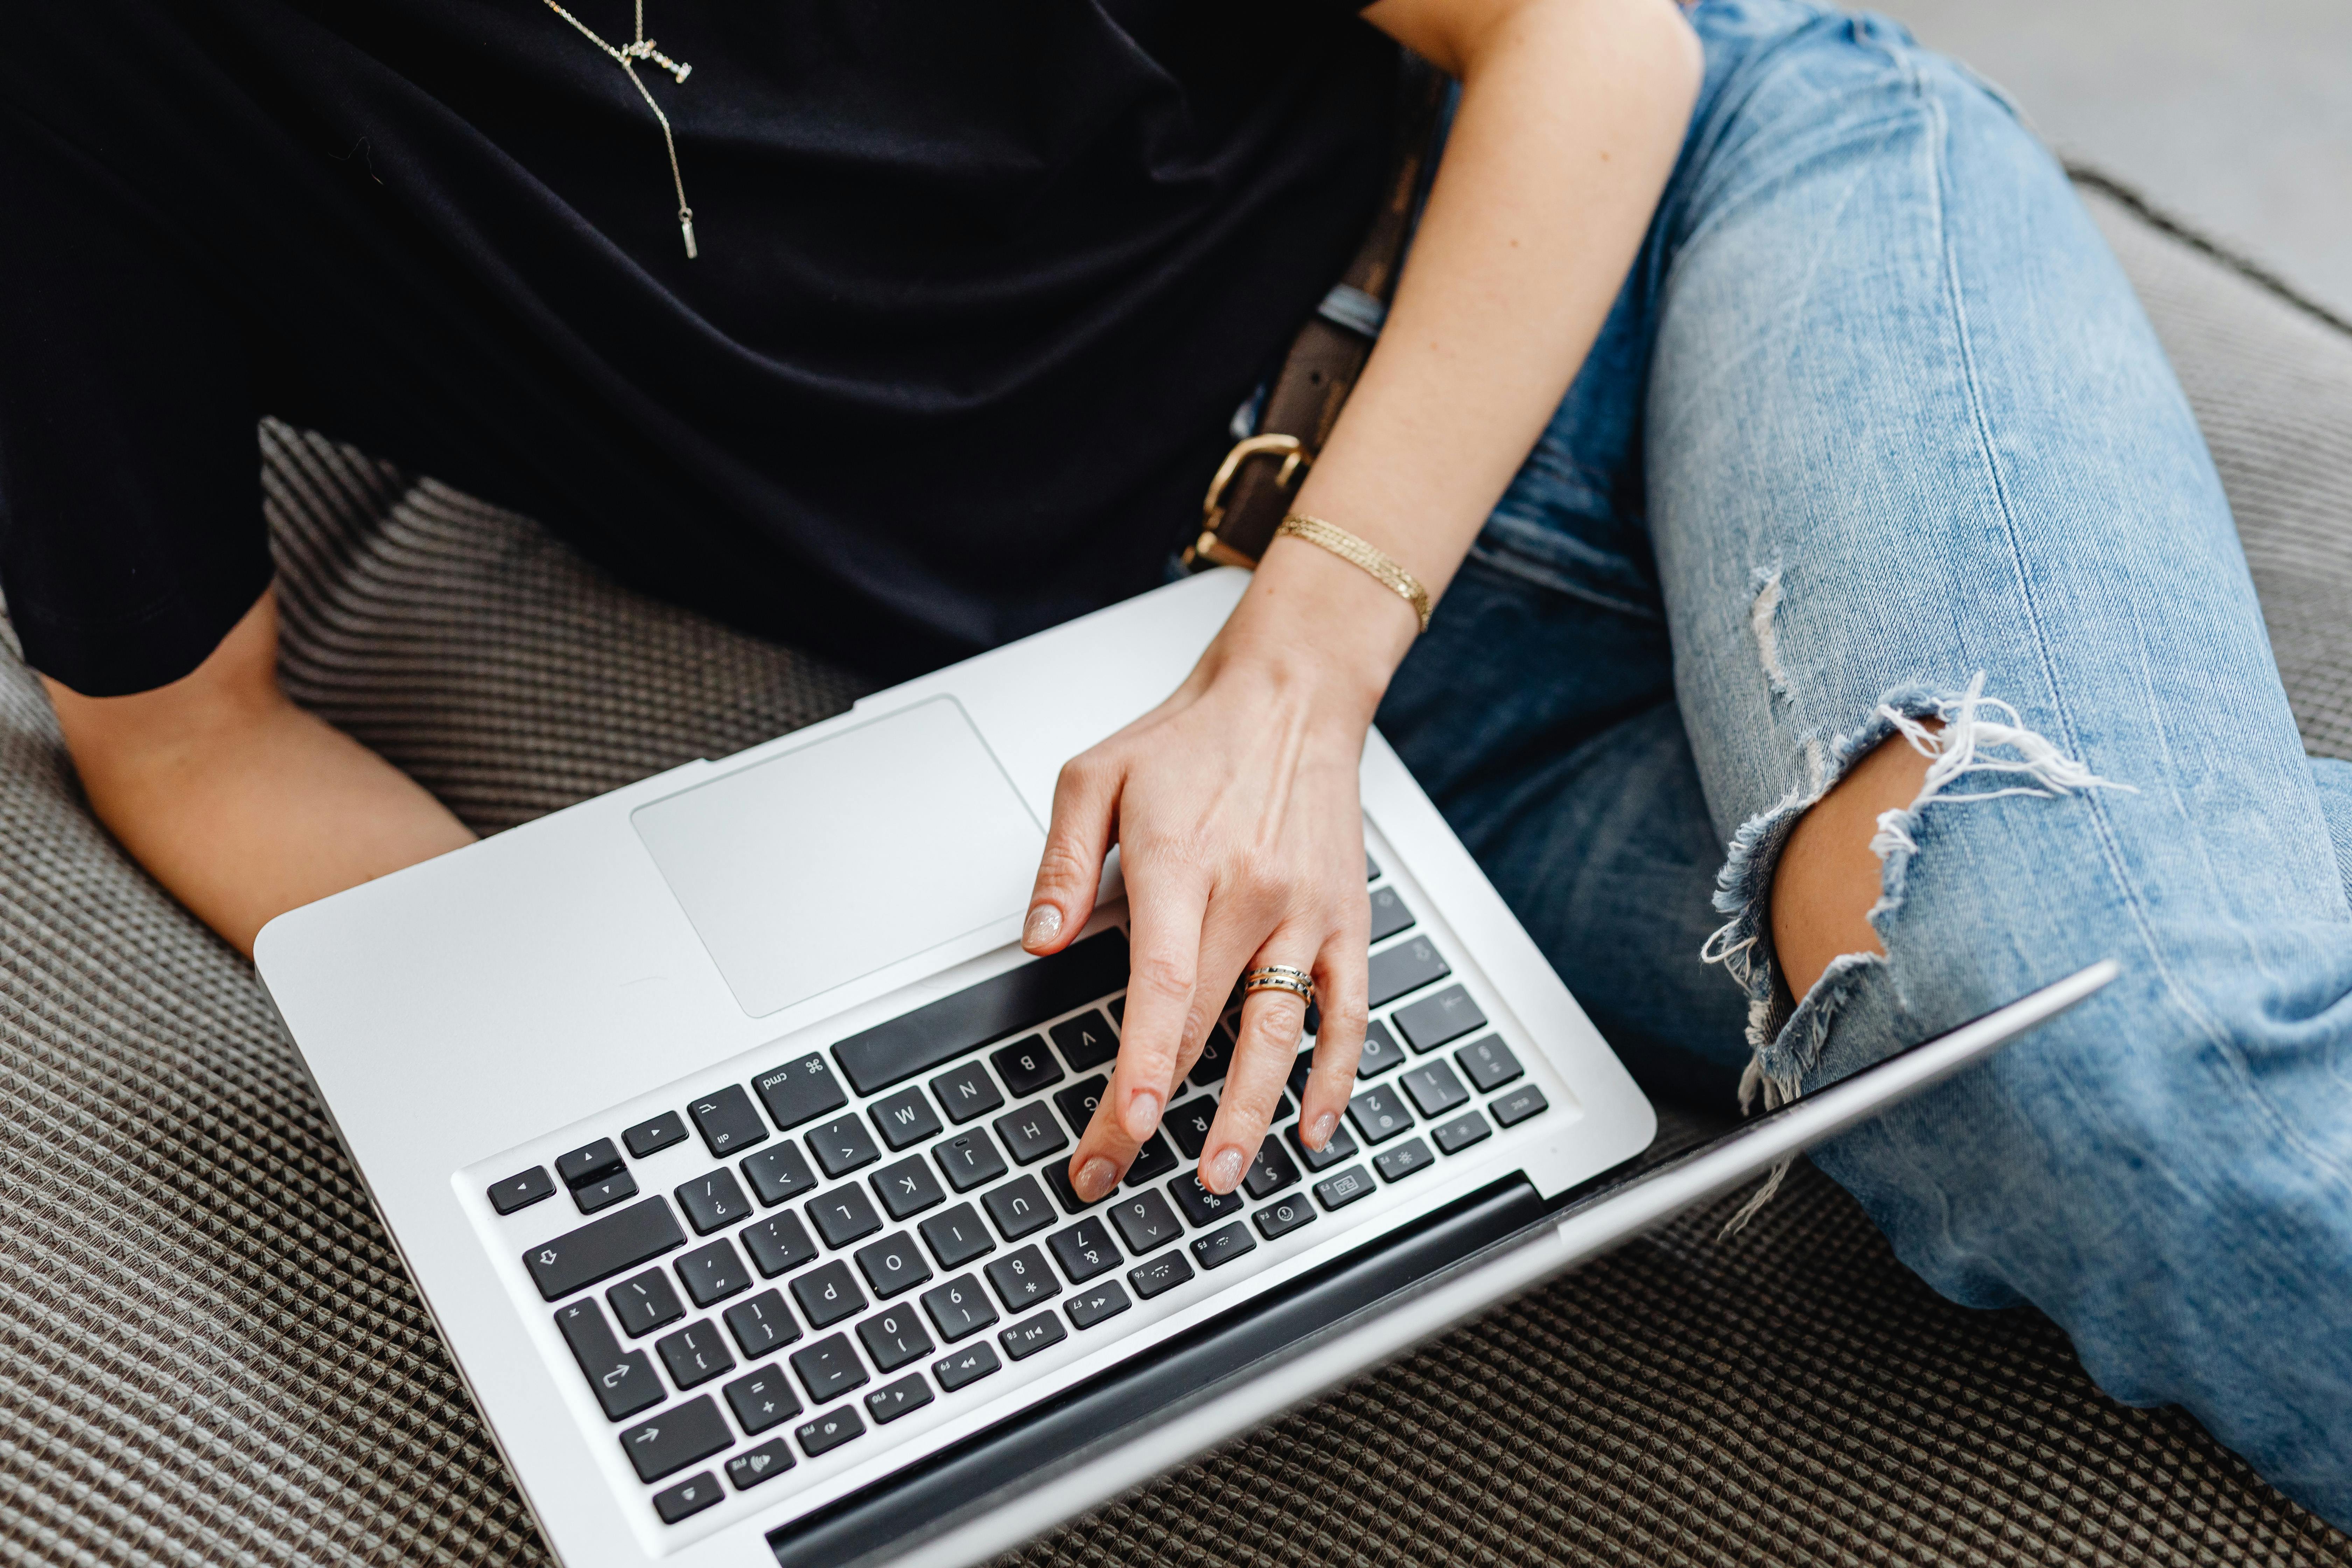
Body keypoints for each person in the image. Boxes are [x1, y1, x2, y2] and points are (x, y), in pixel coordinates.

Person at [5, 0, 2348, 1530]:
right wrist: (614, 1095)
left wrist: (1300, 667)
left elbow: (1587, 44)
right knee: (1985, 1010)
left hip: (1659, 246)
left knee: (2080, 1026)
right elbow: (188, 736)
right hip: (1248, 723)